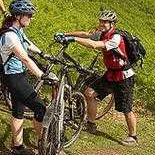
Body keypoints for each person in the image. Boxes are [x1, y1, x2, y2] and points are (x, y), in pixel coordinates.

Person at [54, 10, 138, 146]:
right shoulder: (101, 33)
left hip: (124, 77)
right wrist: (65, 34)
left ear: (112, 24)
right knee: (89, 93)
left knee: (126, 108)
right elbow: (86, 34)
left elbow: (95, 45)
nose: (102, 24)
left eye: (105, 22)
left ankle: (133, 136)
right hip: (110, 74)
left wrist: (73, 39)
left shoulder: (116, 38)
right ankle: (91, 124)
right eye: (101, 21)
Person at [0, 0, 58, 155]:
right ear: (19, 16)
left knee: (18, 111)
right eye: (28, 15)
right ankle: (43, 144)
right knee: (40, 109)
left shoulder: (18, 31)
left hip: (18, 75)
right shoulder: (10, 36)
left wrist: (41, 53)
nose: (30, 18)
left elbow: (27, 43)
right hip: (14, 78)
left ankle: (17, 148)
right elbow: (24, 58)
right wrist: (42, 75)